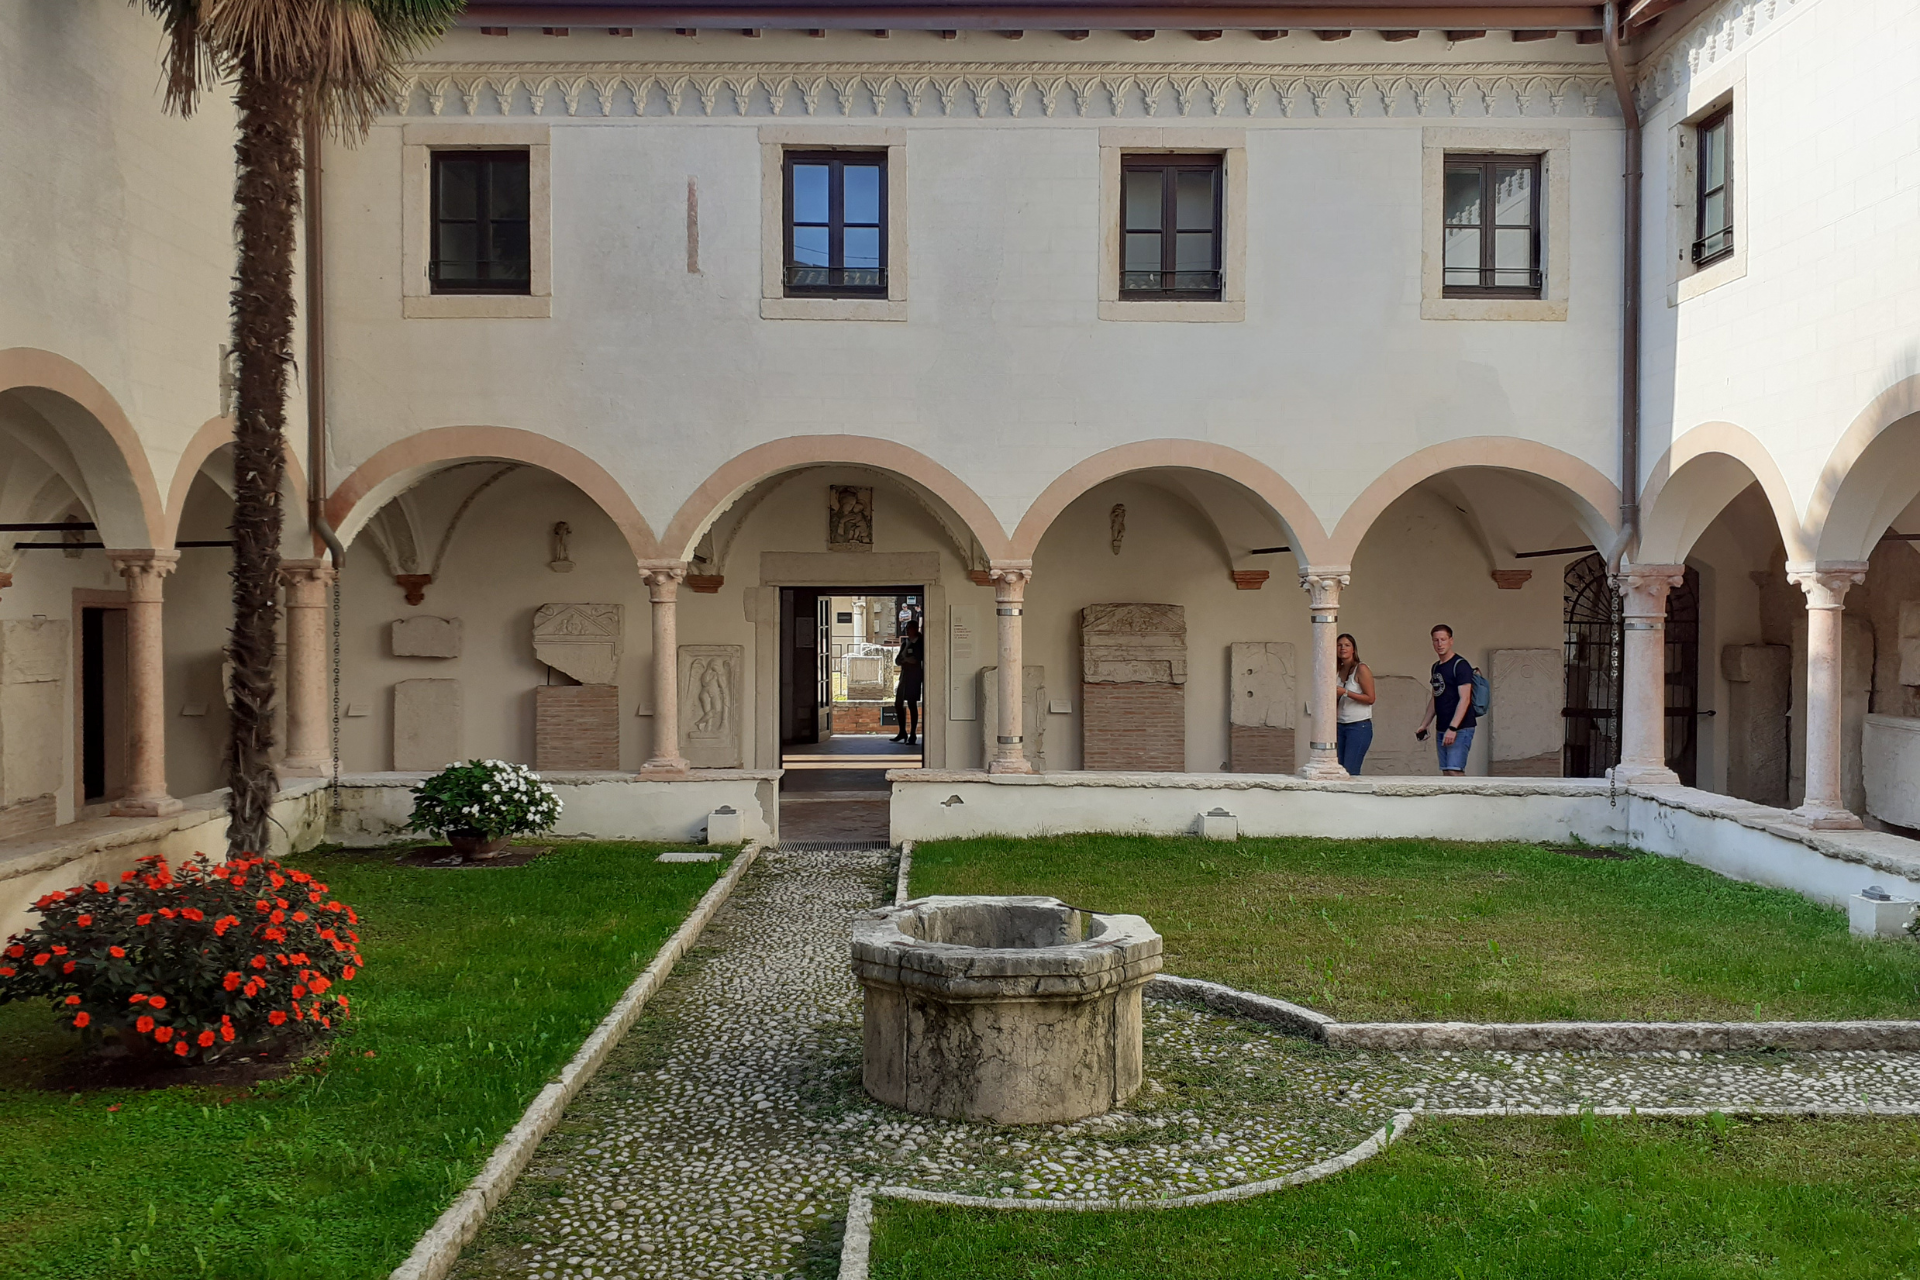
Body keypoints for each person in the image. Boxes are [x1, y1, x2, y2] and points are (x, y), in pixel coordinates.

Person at [1415, 623, 1476, 776]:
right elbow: (1435, 697)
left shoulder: (1460, 665)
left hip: (1460, 727)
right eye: (1436, 640)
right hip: (1442, 726)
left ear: (1451, 641)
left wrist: (1453, 728)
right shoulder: (1436, 667)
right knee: (1447, 773)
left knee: (1455, 771)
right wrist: (1425, 724)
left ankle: (1467, 794)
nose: (1440, 644)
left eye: (1443, 639)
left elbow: (1465, 699)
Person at [1334, 633, 1376, 776]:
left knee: (1351, 770)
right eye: (1339, 645)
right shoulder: (1337, 670)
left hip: (1358, 725)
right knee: (1338, 770)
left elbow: (1370, 698)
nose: (1342, 648)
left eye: (1347, 645)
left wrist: (1346, 692)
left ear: (1353, 649)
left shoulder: (1361, 668)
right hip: (1339, 725)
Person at [891, 620, 924, 746]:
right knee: (898, 703)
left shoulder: (920, 643)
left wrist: (907, 660)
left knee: (912, 704)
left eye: (909, 628)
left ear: (915, 629)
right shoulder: (905, 643)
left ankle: (913, 734)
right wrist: (905, 660)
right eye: (906, 628)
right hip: (904, 677)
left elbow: (916, 659)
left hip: (914, 677)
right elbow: (898, 660)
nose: (907, 630)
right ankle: (902, 732)